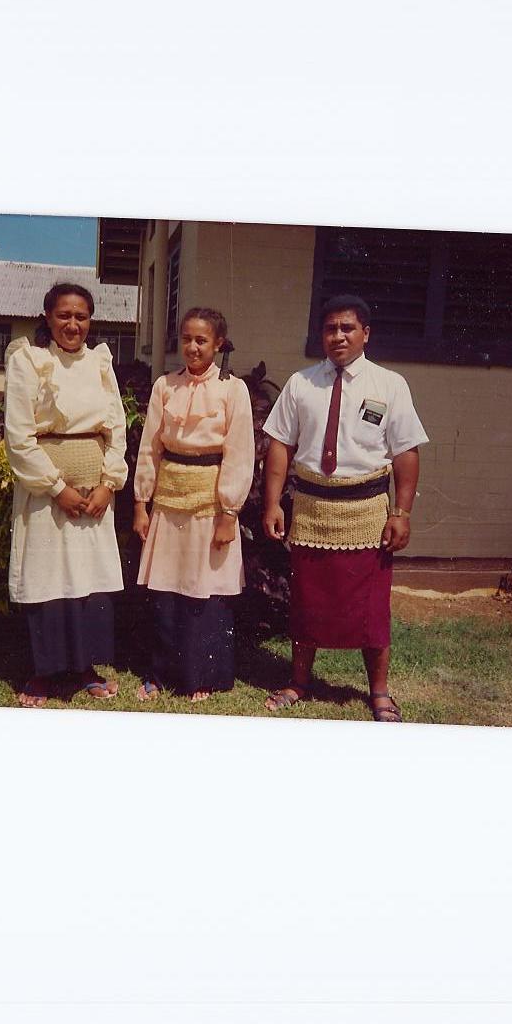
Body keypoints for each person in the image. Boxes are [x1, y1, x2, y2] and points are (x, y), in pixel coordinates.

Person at [262, 294, 428, 721]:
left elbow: (406, 451)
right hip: (312, 510)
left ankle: (379, 692)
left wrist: (402, 513)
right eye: (330, 328)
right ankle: (299, 681)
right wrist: (273, 504)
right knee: (307, 601)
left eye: (347, 328)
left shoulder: (389, 385)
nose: (337, 336)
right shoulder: (302, 384)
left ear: (365, 333)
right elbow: (279, 443)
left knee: (371, 608)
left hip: (367, 511)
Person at [3, 282, 128, 707]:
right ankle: (44, 671)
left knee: (88, 580)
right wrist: (57, 488)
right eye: (64, 316)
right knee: (47, 578)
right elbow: (19, 437)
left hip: (94, 495)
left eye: (81, 316)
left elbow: (117, 428)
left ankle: (85, 668)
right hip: (47, 494)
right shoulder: (29, 361)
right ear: (48, 317)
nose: (73, 325)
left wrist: (109, 484)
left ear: (90, 321)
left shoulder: (100, 363)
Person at [133, 307, 255, 702]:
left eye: (202, 340)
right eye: (186, 338)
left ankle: (200, 674)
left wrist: (229, 513)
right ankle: (158, 672)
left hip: (211, 506)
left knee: (204, 589)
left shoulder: (232, 389)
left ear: (218, 343)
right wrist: (141, 502)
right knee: (166, 587)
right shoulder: (165, 386)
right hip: (168, 503)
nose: (192, 347)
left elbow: (239, 453)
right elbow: (150, 447)